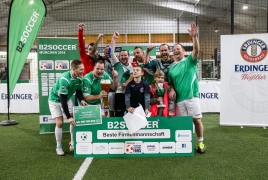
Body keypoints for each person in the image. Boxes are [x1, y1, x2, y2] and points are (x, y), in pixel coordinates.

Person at [168, 23, 206, 154]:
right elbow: (171, 82)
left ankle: (200, 142)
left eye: (179, 48)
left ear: (184, 51)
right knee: (184, 123)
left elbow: (196, 50)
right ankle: (186, 144)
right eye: (174, 49)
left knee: (196, 120)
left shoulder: (190, 60)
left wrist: (194, 37)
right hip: (179, 99)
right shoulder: (171, 68)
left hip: (192, 96)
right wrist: (172, 88)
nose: (176, 50)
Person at [48, 59, 87, 156]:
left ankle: (72, 143)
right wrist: (68, 117)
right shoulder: (64, 80)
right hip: (55, 100)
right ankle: (59, 146)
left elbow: (78, 91)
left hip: (67, 98)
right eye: (81, 69)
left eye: (83, 69)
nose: (83, 71)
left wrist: (81, 99)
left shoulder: (80, 78)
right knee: (60, 123)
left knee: (74, 120)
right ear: (74, 69)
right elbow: (63, 100)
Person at [110, 31, 134, 117]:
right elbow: (111, 51)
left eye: (125, 55)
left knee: (130, 115)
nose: (123, 57)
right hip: (119, 93)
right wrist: (114, 38)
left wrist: (127, 82)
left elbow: (132, 76)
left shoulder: (132, 67)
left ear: (129, 56)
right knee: (119, 114)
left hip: (129, 94)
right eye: (122, 55)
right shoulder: (116, 63)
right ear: (119, 57)